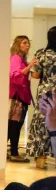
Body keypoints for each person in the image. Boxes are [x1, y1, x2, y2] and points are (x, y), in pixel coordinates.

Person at [27, 26, 56, 169]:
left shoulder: (41, 54)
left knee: (42, 124)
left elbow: (35, 75)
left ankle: (41, 159)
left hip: (46, 93)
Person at [9, 35, 36, 163]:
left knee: (14, 125)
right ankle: (14, 153)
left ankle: (11, 151)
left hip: (22, 96)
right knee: (15, 125)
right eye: (24, 43)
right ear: (18, 44)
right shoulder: (15, 58)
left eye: (28, 43)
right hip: (17, 97)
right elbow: (14, 76)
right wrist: (29, 66)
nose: (27, 45)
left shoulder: (22, 60)